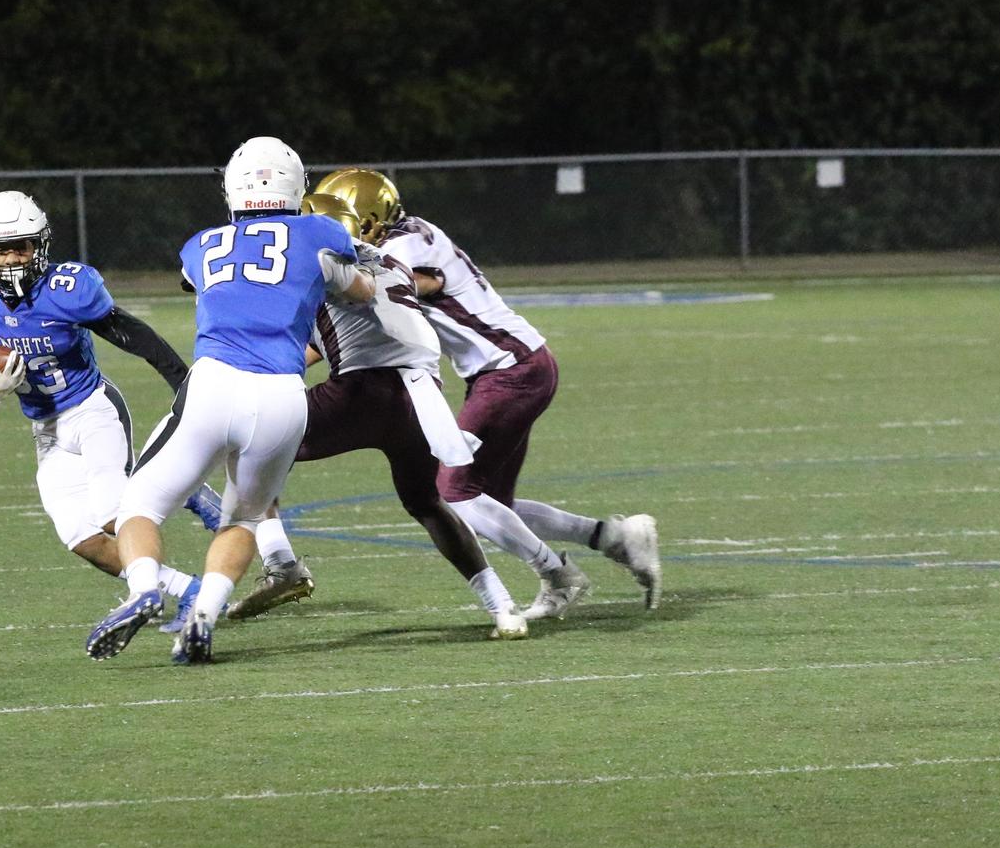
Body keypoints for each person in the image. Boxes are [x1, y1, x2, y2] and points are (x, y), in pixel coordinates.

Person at [313, 167, 661, 618]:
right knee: (490, 500)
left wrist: (343, 280)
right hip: (510, 366)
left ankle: (558, 574)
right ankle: (612, 537)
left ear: (373, 218)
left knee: (453, 489)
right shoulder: (408, 234)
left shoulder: (401, 246)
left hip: (509, 368)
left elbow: (417, 285)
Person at [84, 136, 376, 665]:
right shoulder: (320, 232)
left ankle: (144, 588)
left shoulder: (202, 244)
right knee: (243, 520)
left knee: (138, 507)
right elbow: (361, 290)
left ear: (232, 188)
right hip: (284, 396)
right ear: (297, 187)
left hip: (216, 384)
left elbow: (202, 280)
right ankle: (204, 617)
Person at [226, 192, 528, 640]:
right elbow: (348, 329)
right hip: (421, 399)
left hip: (361, 393)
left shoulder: (319, 265)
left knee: (246, 447)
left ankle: (282, 565)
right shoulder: (390, 260)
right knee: (427, 503)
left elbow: (292, 322)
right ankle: (503, 607)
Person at [0, 191, 224, 638]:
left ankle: (187, 489)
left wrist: (186, 384)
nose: (11, 259)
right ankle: (188, 589)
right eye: (0, 249)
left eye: (22, 247)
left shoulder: (66, 289)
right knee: (82, 538)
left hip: (92, 408)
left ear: (41, 246)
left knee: (115, 514)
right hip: (46, 428)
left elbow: (136, 337)